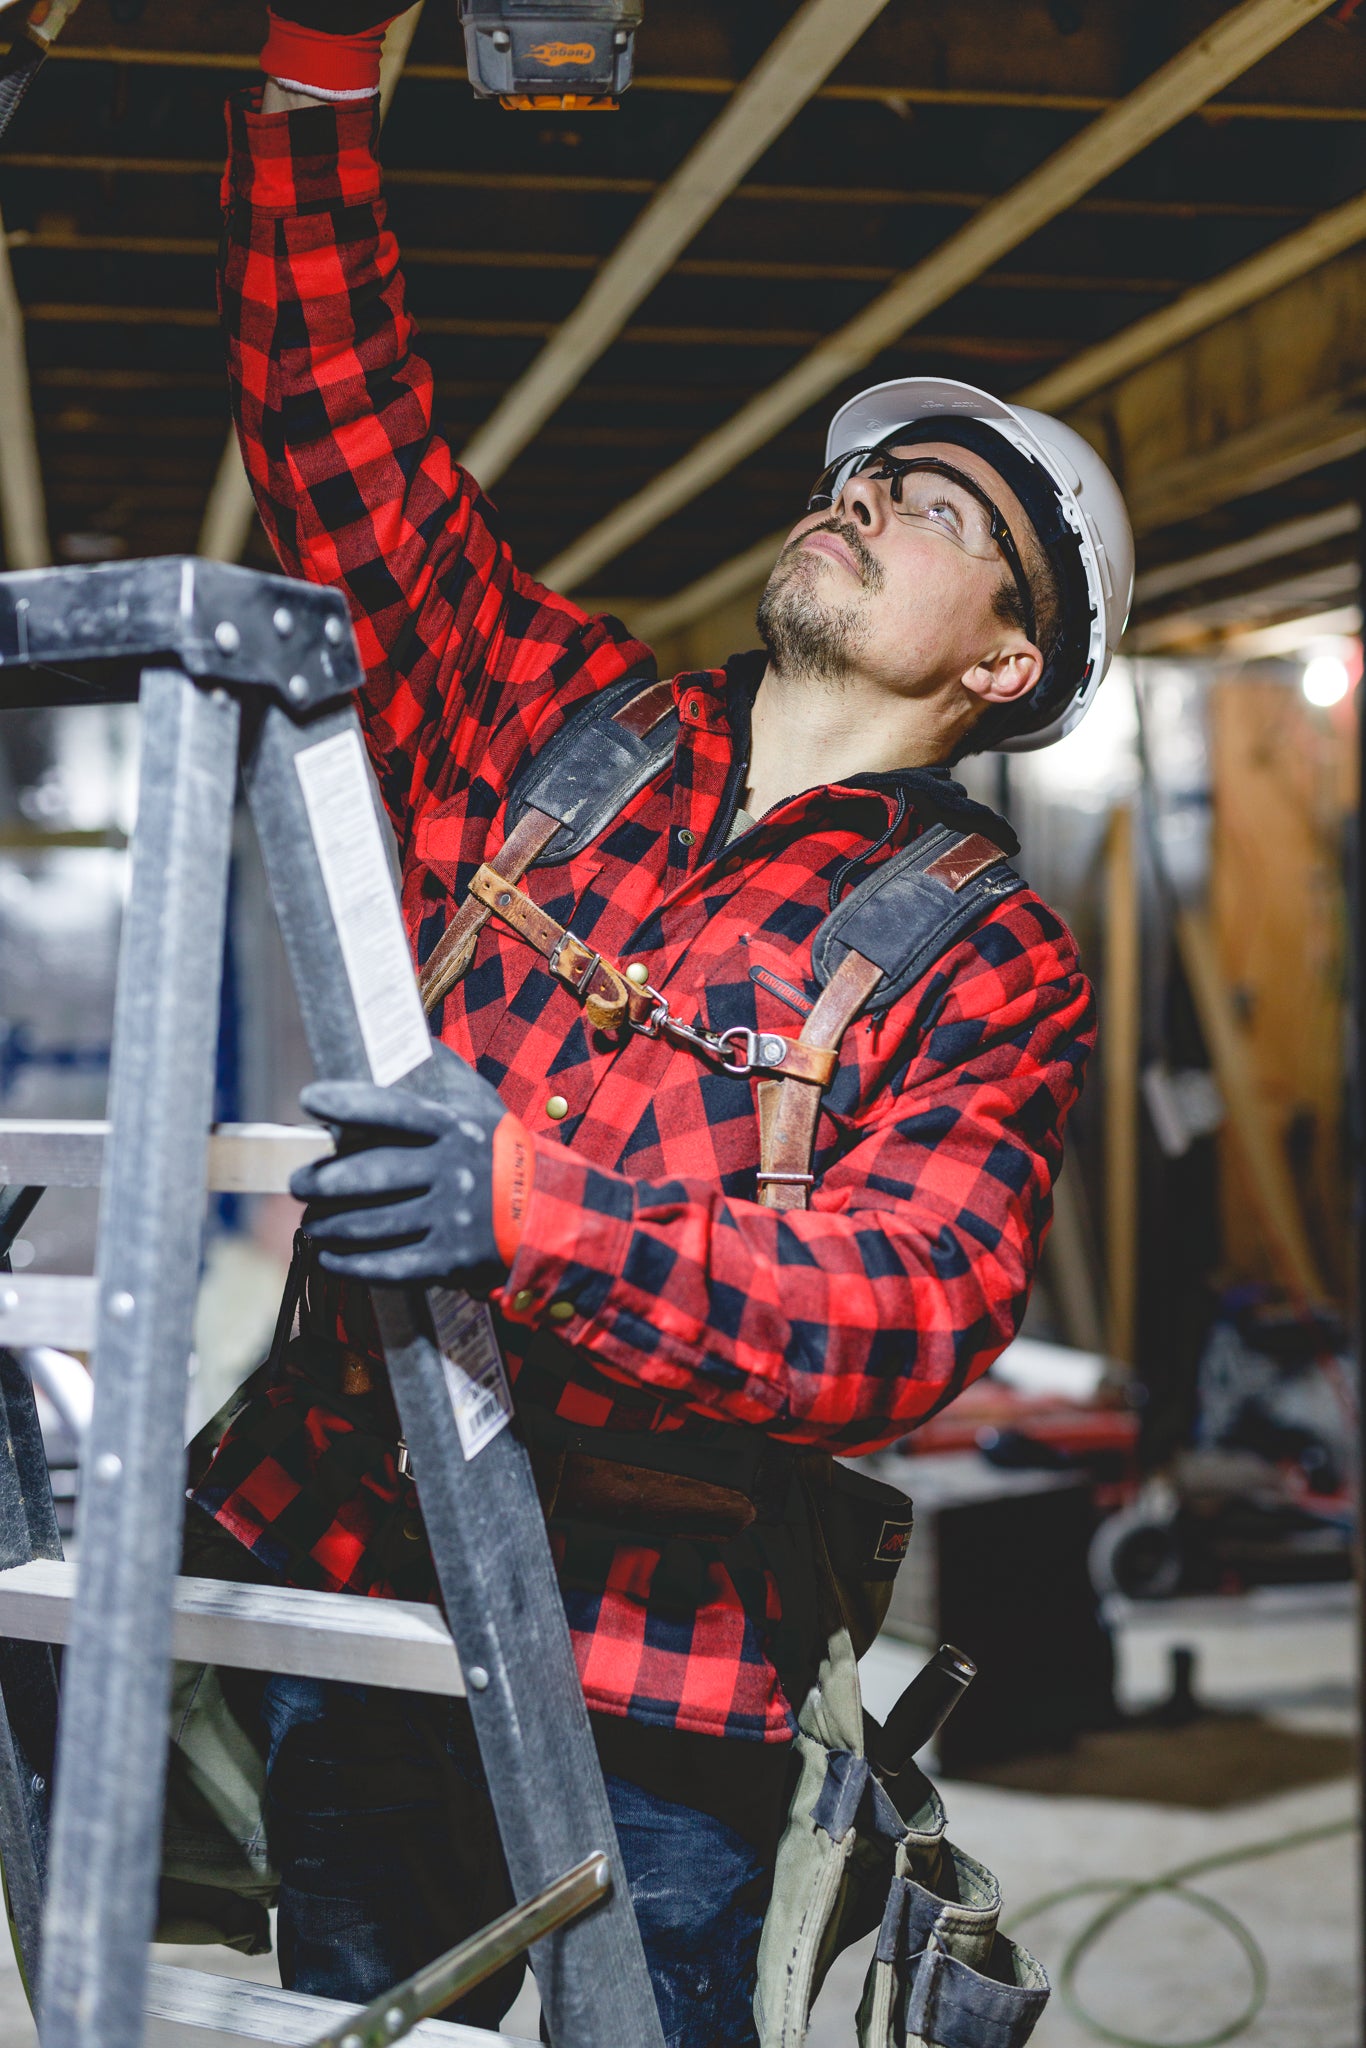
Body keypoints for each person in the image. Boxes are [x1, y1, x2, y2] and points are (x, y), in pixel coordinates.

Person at [188, 8, 1134, 2041]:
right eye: (872, 469)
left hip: (655, 1685)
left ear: (1002, 656)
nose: (873, 491)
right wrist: (318, 79)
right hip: (350, 1585)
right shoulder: (557, 726)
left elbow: (900, 1306)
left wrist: (530, 1210)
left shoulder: (981, 954)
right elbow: (346, 457)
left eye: (944, 505)